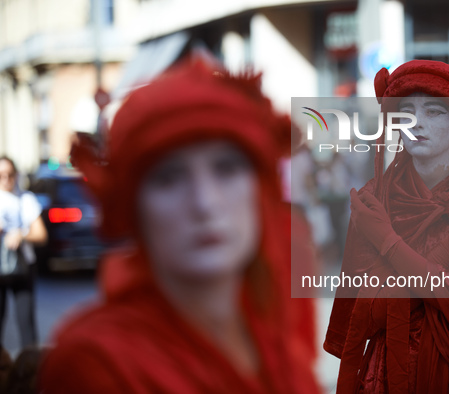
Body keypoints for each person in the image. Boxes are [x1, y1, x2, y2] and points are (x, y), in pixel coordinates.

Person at [39, 61, 321, 393]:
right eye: (169, 177)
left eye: (226, 168)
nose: (205, 202)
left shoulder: (277, 337)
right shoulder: (97, 363)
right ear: (135, 207)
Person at [324, 60, 449, 393]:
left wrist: (386, 241)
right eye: (406, 112)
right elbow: (365, 314)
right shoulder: (374, 200)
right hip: (388, 374)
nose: (416, 124)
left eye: (434, 111)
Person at [0, 156, 47, 349]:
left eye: (10, 175)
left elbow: (41, 234)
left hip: (22, 268)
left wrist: (21, 234)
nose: (6, 179)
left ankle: (29, 374)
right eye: (1, 175)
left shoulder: (26, 199)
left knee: (26, 324)